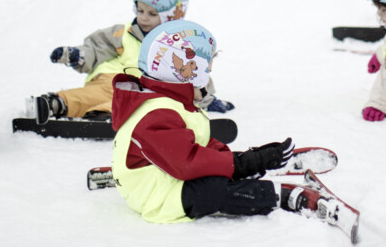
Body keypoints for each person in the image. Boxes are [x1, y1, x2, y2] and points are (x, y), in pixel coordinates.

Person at [109, 19, 352, 230]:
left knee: (213, 173)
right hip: (154, 194)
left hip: (164, 176)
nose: (210, 73)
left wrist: (245, 161)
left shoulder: (169, 101)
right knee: (211, 190)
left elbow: (197, 144)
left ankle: (252, 171)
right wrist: (237, 164)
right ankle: (282, 197)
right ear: (184, 69)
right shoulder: (157, 112)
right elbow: (185, 163)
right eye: (207, 67)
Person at [36, 0, 232, 124]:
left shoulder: (180, 46)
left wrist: (207, 99)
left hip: (147, 90)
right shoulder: (123, 33)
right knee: (100, 94)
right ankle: (56, 104)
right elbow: (97, 48)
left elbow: (194, 72)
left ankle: (104, 115)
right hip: (112, 79)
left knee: (152, 103)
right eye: (140, 11)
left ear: (171, 17)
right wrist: (77, 55)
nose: (144, 18)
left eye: (152, 13)